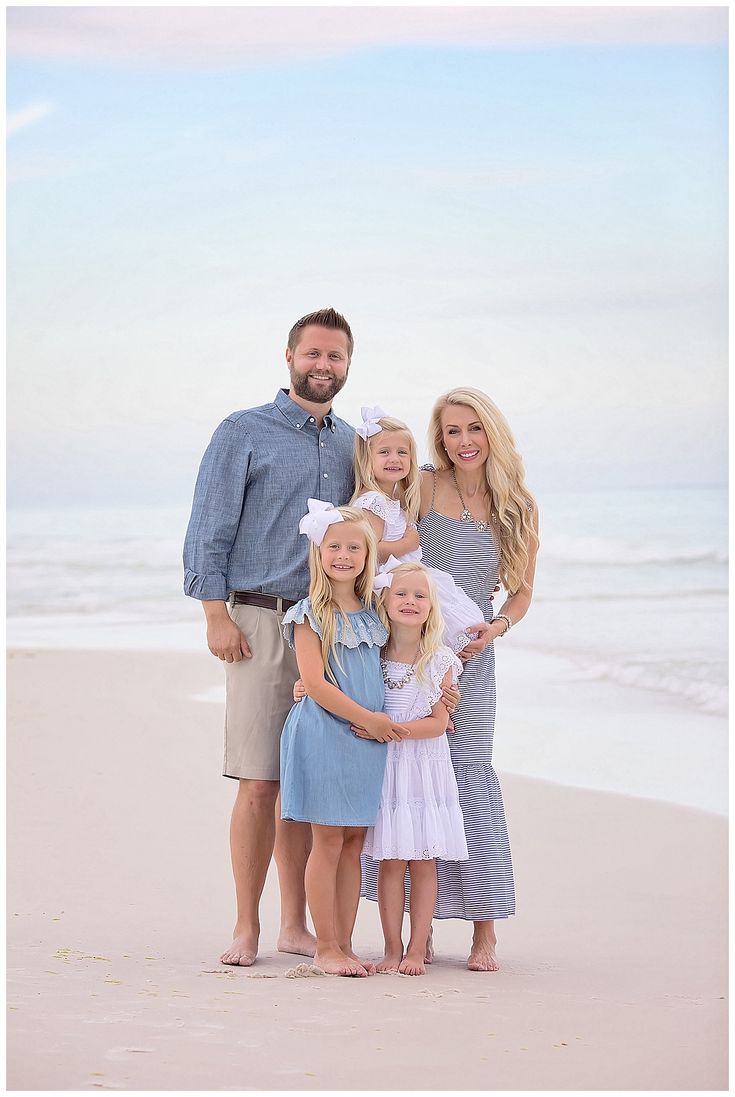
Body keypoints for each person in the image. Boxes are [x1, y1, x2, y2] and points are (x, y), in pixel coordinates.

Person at [183, 308, 356, 966]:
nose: (323, 365)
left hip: (328, 627)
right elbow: (208, 526)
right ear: (289, 357)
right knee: (258, 780)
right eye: (313, 353)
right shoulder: (241, 431)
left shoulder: (351, 445)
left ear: (345, 365)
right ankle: (245, 926)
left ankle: (295, 925)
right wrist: (214, 614)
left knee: (304, 783)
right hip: (256, 621)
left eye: (335, 356)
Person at [362, 387, 539, 972]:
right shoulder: (425, 485)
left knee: (467, 783)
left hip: (471, 657)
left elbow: (522, 591)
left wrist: (499, 627)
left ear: (492, 432)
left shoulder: (518, 505)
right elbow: (383, 540)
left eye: (473, 430)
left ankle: (484, 932)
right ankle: (418, 936)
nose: (463, 442)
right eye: (452, 432)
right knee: (411, 781)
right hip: (407, 653)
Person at [279, 503, 408, 977]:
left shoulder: (376, 609)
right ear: (319, 552)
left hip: (366, 741)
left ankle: (346, 945)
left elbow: (418, 624)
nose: (344, 554)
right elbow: (314, 683)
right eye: (334, 546)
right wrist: (370, 720)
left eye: (355, 547)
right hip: (326, 734)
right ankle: (325, 946)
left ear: (369, 555)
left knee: (354, 841)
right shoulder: (310, 612)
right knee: (327, 841)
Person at [359, 561, 467, 977]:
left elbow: (439, 723)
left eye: (419, 596)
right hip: (385, 769)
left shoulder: (439, 660)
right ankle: (391, 948)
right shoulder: (372, 655)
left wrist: (387, 729)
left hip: (424, 769)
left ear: (431, 606)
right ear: (384, 601)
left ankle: (417, 948)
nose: (410, 601)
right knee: (389, 860)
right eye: (401, 594)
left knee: (423, 861)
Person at [351, 407, 490, 655]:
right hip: (391, 584)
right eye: (384, 452)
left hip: (406, 578)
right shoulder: (372, 502)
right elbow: (367, 552)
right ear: (366, 459)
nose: (395, 459)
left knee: (451, 610)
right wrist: (408, 544)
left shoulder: (394, 498)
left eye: (402, 453)